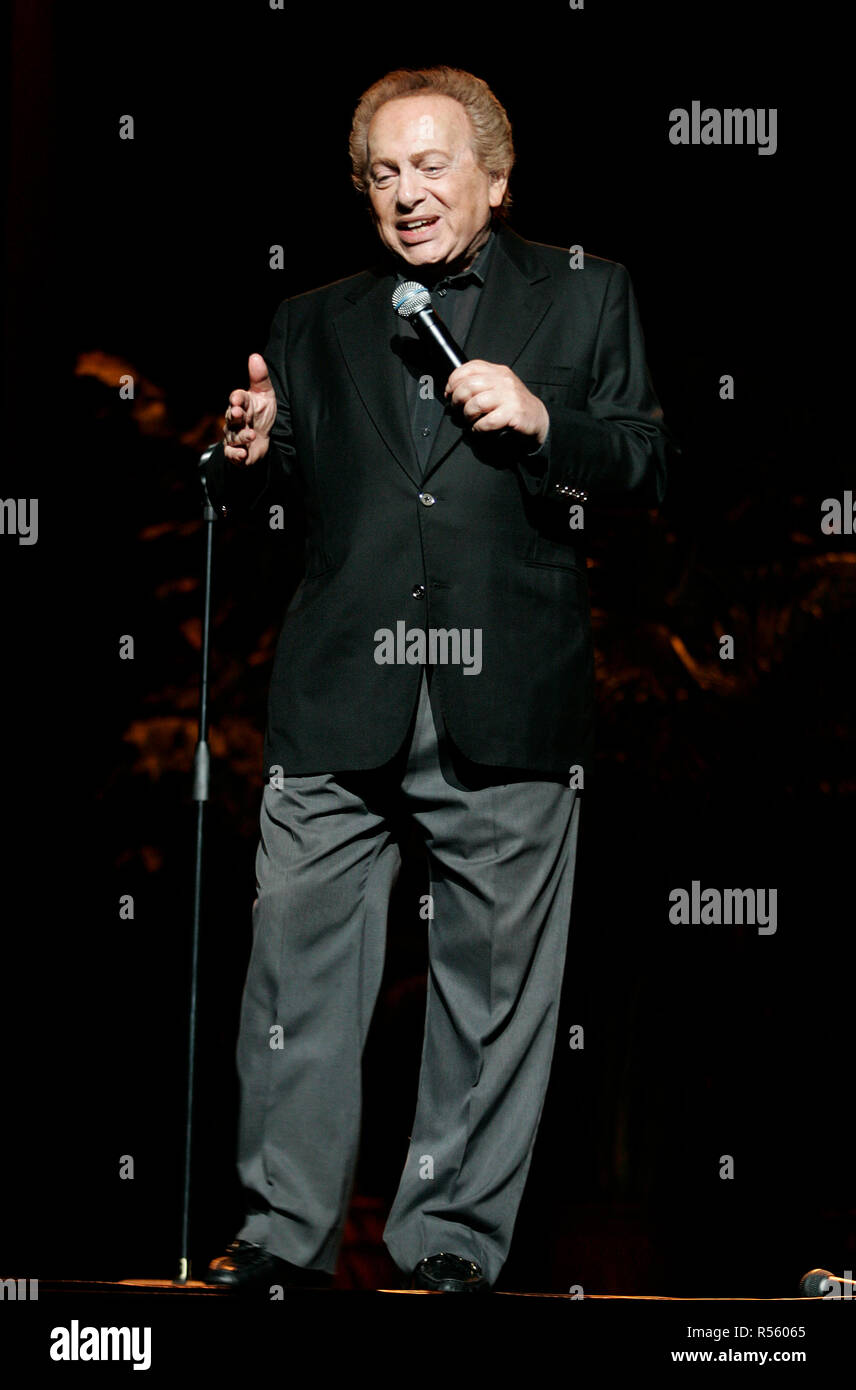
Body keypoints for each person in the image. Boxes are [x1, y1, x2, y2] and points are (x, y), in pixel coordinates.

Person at [204, 65, 669, 1294]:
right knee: (292, 973)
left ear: (496, 180)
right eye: (382, 173)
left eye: (431, 165)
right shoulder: (311, 319)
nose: (406, 193)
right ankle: (280, 1240)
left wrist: (544, 423)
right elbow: (288, 479)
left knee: (491, 991)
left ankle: (448, 1246)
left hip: (508, 693)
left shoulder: (586, 291)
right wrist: (249, 454)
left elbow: (642, 461)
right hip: (336, 693)